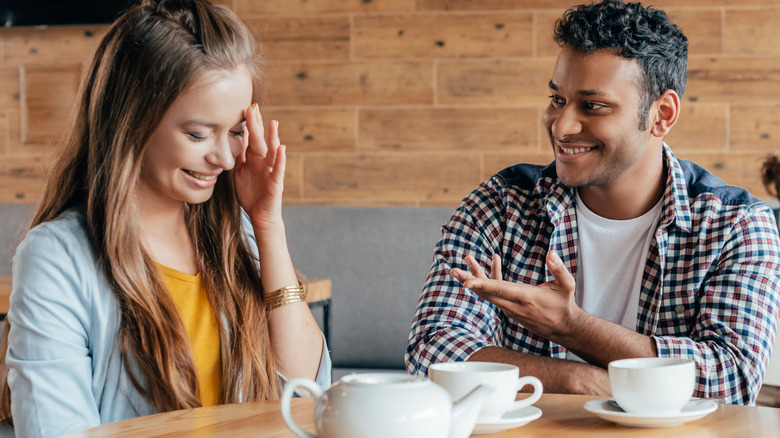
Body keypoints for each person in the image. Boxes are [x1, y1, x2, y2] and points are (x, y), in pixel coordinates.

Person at [406, 0, 780, 405]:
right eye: (557, 100)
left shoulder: (735, 226)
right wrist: (582, 382)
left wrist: (571, 327)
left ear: (662, 114)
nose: (562, 126)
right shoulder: (499, 206)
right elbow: (433, 349)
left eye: (593, 105)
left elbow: (731, 380)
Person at [0, 0, 330, 436]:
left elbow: (306, 394)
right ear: (131, 120)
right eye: (197, 134)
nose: (225, 159)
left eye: (235, 132)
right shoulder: (57, 256)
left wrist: (268, 225)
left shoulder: (237, 232)